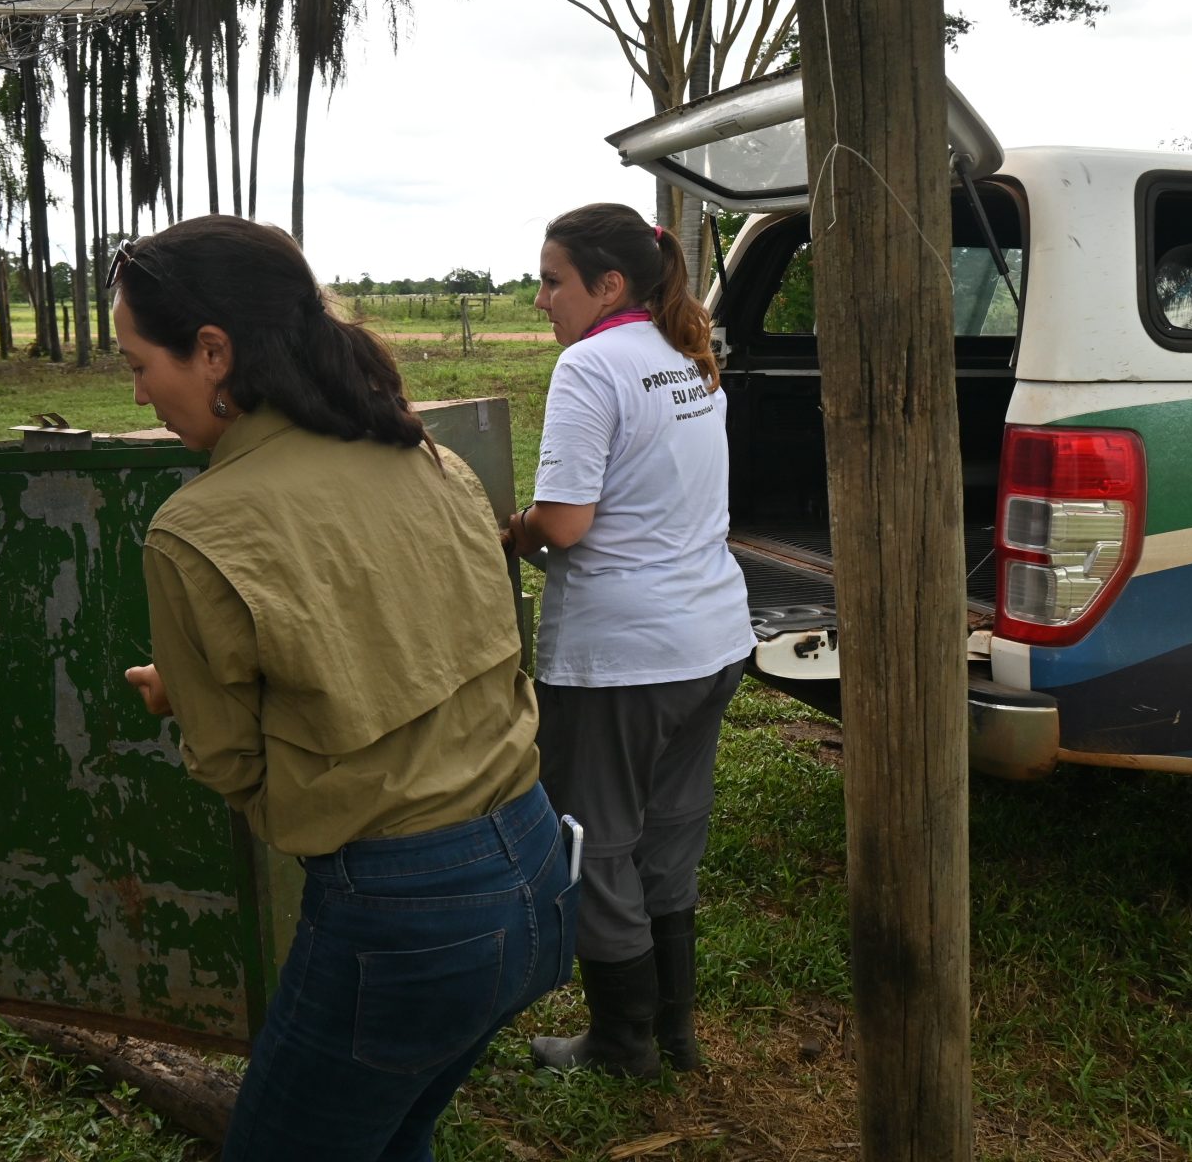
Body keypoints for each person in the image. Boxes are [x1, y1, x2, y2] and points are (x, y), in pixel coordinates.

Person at [111, 214, 575, 1162]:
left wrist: (191, 698)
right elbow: (452, 637)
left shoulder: (197, 527)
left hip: (404, 922)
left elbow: (234, 763)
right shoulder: (427, 457)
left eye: (136, 362)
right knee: (396, 1131)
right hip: (536, 866)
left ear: (212, 351)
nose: (139, 390)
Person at [505, 202, 753, 1078]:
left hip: (622, 659)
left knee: (595, 841)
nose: (541, 301)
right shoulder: (685, 355)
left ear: (607, 285)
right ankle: (675, 1033)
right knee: (670, 831)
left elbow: (566, 525)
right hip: (713, 638)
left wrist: (514, 530)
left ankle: (620, 1042)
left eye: (551, 281)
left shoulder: (590, 367)